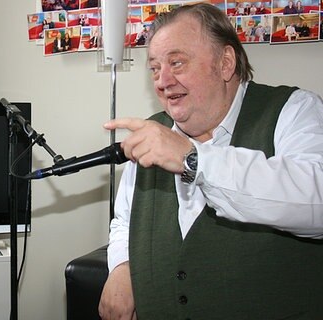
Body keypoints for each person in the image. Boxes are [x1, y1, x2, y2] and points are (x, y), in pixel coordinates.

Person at [98, 3, 323, 319]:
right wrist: (121, 266)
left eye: (177, 63)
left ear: (225, 63)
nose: (162, 80)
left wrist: (192, 159)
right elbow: (126, 218)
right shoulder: (153, 130)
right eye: (154, 68)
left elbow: (316, 200)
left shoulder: (294, 110)